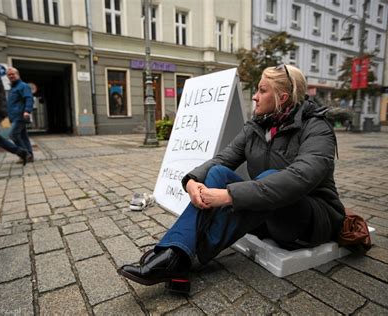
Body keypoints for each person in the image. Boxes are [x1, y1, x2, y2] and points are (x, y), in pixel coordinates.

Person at [118, 64, 346, 291]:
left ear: (282, 97)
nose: (255, 97)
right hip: (265, 214)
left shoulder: (317, 127)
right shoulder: (257, 125)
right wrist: (191, 180)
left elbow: (299, 177)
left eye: (262, 91)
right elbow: (222, 159)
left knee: (269, 177)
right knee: (217, 173)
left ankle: (179, 257)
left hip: (310, 222)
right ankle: (175, 252)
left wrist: (228, 196)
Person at [6, 67, 34, 163]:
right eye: (9, 75)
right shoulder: (12, 88)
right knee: (23, 136)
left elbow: (29, 98)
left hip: (20, 115)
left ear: (18, 74)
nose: (11, 76)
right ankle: (29, 155)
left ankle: (25, 154)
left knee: (13, 134)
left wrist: (27, 111)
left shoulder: (23, 86)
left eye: (12, 74)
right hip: (13, 116)